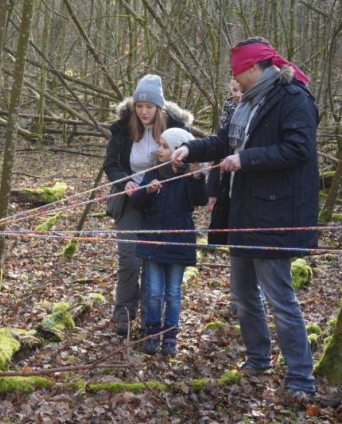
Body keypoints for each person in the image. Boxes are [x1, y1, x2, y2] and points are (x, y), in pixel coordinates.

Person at [172, 37, 318, 398]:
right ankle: (258, 358)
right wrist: (191, 147)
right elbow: (224, 142)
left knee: (280, 297)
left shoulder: (293, 98)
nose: (235, 79)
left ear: (255, 68)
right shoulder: (247, 103)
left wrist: (246, 159)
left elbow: (298, 150)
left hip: (275, 215)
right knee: (243, 293)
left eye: (238, 72)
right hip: (241, 212)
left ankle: (301, 379)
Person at [103, 74, 194, 337]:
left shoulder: (177, 129)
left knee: (151, 258)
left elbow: (187, 163)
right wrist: (125, 182)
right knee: (129, 257)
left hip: (162, 201)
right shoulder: (122, 128)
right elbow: (111, 164)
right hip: (130, 199)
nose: (143, 112)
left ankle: (149, 316)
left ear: (159, 107)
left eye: (149, 107)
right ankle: (124, 313)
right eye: (139, 106)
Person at [127, 128, 207, 356]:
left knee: (173, 293)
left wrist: (197, 176)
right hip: (153, 242)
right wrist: (148, 191)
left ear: (179, 152)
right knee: (153, 292)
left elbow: (199, 199)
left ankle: (170, 336)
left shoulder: (189, 176)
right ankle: (152, 333)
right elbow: (137, 204)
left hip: (179, 242)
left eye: (165, 146)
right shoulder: (154, 172)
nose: (159, 150)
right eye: (159, 145)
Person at [207, 79, 242, 245]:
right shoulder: (228, 112)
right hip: (224, 182)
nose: (237, 95)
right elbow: (218, 152)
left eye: (241, 90)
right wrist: (212, 191)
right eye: (234, 90)